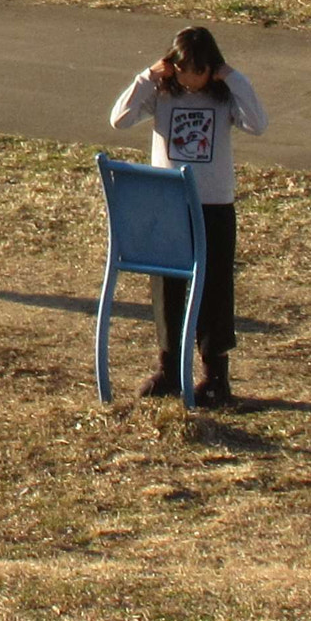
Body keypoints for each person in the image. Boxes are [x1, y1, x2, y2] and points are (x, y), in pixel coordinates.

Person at [109, 27, 267, 409]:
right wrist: (148, 76)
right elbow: (120, 119)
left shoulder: (224, 98)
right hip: (169, 203)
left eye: (197, 69)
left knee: (214, 288)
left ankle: (216, 376)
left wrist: (232, 77)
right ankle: (169, 369)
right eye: (181, 68)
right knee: (167, 287)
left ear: (211, 68)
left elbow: (258, 123)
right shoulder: (162, 95)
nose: (189, 77)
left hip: (213, 206)